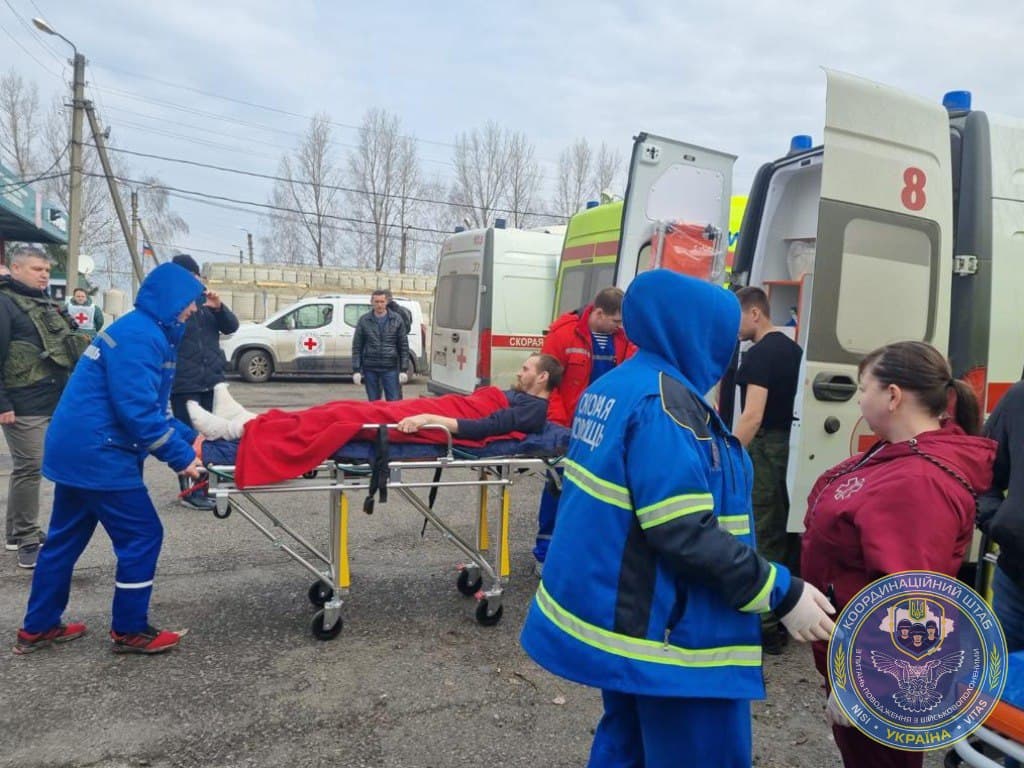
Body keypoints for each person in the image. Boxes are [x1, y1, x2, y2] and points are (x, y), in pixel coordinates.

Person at [519, 270, 835, 768]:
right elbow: (682, 530)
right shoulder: (664, 408)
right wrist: (780, 589)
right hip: (675, 636)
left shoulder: (619, 385)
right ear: (692, 334)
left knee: (628, 745)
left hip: (631, 623)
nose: (726, 354)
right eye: (722, 339)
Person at [800, 340, 994, 768]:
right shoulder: (899, 457)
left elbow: (911, 597)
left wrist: (864, 688)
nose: (858, 399)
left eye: (863, 388)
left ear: (892, 395)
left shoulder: (918, 481)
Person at [13, 262, 206, 656]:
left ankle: (38, 626)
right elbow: (137, 412)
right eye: (191, 301)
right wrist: (181, 457)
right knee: (142, 535)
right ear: (172, 299)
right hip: (99, 452)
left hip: (79, 449)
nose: (194, 309)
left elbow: (153, 409)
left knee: (63, 541)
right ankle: (130, 629)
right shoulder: (142, 337)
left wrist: (195, 439)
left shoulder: (146, 330)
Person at [187, 353, 564, 488]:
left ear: (543, 377)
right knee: (337, 411)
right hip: (449, 409)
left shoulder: (533, 409)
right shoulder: (523, 398)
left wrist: (428, 418)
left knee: (342, 419)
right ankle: (246, 423)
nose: (520, 372)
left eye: (527, 369)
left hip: (441, 421)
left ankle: (240, 428)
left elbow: (483, 429)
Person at [0, 246, 90, 569]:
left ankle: (15, 533)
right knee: (31, 466)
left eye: (46, 270)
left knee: (30, 467)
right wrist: (2, 403)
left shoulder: (47, 303)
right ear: (16, 268)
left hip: (54, 399)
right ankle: (27, 537)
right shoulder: (5, 304)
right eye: (36, 269)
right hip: (22, 403)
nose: (44, 275)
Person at [533, 287, 630, 571]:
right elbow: (547, 385)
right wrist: (559, 428)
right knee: (558, 489)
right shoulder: (564, 333)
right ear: (598, 313)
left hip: (606, 431)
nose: (619, 326)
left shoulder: (623, 338)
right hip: (568, 430)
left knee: (599, 493)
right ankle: (545, 555)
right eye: (616, 321)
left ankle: (586, 553)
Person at [733, 286, 803, 654]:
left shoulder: (758, 355)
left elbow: (752, 416)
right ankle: (787, 613)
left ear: (755, 313)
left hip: (763, 447)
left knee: (761, 532)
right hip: (788, 446)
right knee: (786, 532)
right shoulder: (793, 350)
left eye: (737, 318)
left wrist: (729, 454)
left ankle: (765, 627)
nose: (734, 328)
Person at [168, 253, 239, 511]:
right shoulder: (172, 305)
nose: (192, 281)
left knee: (213, 438)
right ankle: (190, 491)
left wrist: (219, 307)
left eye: (194, 275)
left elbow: (231, 327)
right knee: (189, 440)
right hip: (184, 384)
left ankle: (208, 485)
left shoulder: (207, 303)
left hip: (211, 381)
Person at [979, 378, 1024, 654]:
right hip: (1015, 584)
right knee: (1003, 676)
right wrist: (999, 522)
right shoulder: (1019, 398)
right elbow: (981, 472)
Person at [352, 289, 409, 402]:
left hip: (390, 368)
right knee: (374, 402)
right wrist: (356, 370)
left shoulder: (397, 320)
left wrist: (403, 369)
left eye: (382, 301)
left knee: (393, 402)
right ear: (371, 302)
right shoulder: (364, 321)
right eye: (376, 302)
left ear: (386, 302)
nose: (379, 305)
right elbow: (357, 347)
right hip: (370, 368)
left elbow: (403, 346)